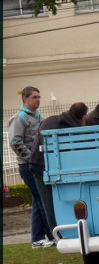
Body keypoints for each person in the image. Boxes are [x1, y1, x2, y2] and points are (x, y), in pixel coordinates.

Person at [29, 102, 89, 233]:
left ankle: (56, 235)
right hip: (53, 169)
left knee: (48, 204)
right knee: (64, 204)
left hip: (37, 165)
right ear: (83, 117)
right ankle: (67, 233)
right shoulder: (74, 130)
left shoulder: (50, 120)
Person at [7, 86, 52, 248]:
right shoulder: (20, 118)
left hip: (37, 164)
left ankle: (40, 237)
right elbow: (15, 142)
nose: (38, 100)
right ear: (25, 99)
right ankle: (44, 237)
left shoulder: (37, 116)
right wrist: (31, 159)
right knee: (41, 199)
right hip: (28, 166)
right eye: (34, 97)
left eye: (39, 97)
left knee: (38, 199)